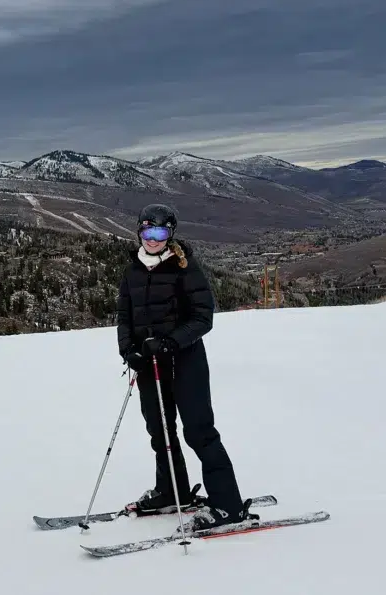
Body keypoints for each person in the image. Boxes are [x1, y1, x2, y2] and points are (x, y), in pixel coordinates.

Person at [115, 202, 250, 531]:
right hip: (149, 365)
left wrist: (170, 341)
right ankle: (171, 491)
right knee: (160, 432)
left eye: (161, 232)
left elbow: (203, 318)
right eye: (148, 231)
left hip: (185, 360)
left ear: (170, 233)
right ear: (139, 231)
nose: (154, 238)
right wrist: (128, 352)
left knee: (199, 432)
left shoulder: (184, 267)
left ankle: (228, 506)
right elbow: (125, 317)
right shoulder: (133, 269)